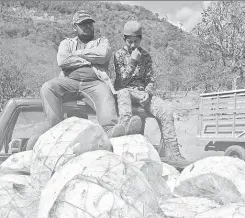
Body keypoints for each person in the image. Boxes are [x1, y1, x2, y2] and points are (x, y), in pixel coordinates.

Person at [40, 10, 135, 138]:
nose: (87, 26)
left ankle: (110, 130)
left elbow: (103, 55)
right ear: (75, 27)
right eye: (83, 23)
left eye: (90, 23)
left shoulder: (102, 41)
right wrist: (90, 58)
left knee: (105, 94)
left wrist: (77, 54)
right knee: (48, 87)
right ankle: (56, 131)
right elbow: (62, 60)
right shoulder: (66, 43)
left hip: (95, 82)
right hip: (69, 81)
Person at [113, 20, 186, 160]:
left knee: (165, 110)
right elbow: (122, 81)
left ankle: (174, 154)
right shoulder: (119, 55)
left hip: (142, 93)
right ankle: (124, 133)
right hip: (125, 91)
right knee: (123, 95)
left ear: (140, 39)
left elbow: (151, 78)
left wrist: (148, 92)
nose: (133, 45)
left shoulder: (146, 56)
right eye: (130, 42)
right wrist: (133, 61)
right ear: (124, 39)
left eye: (136, 41)